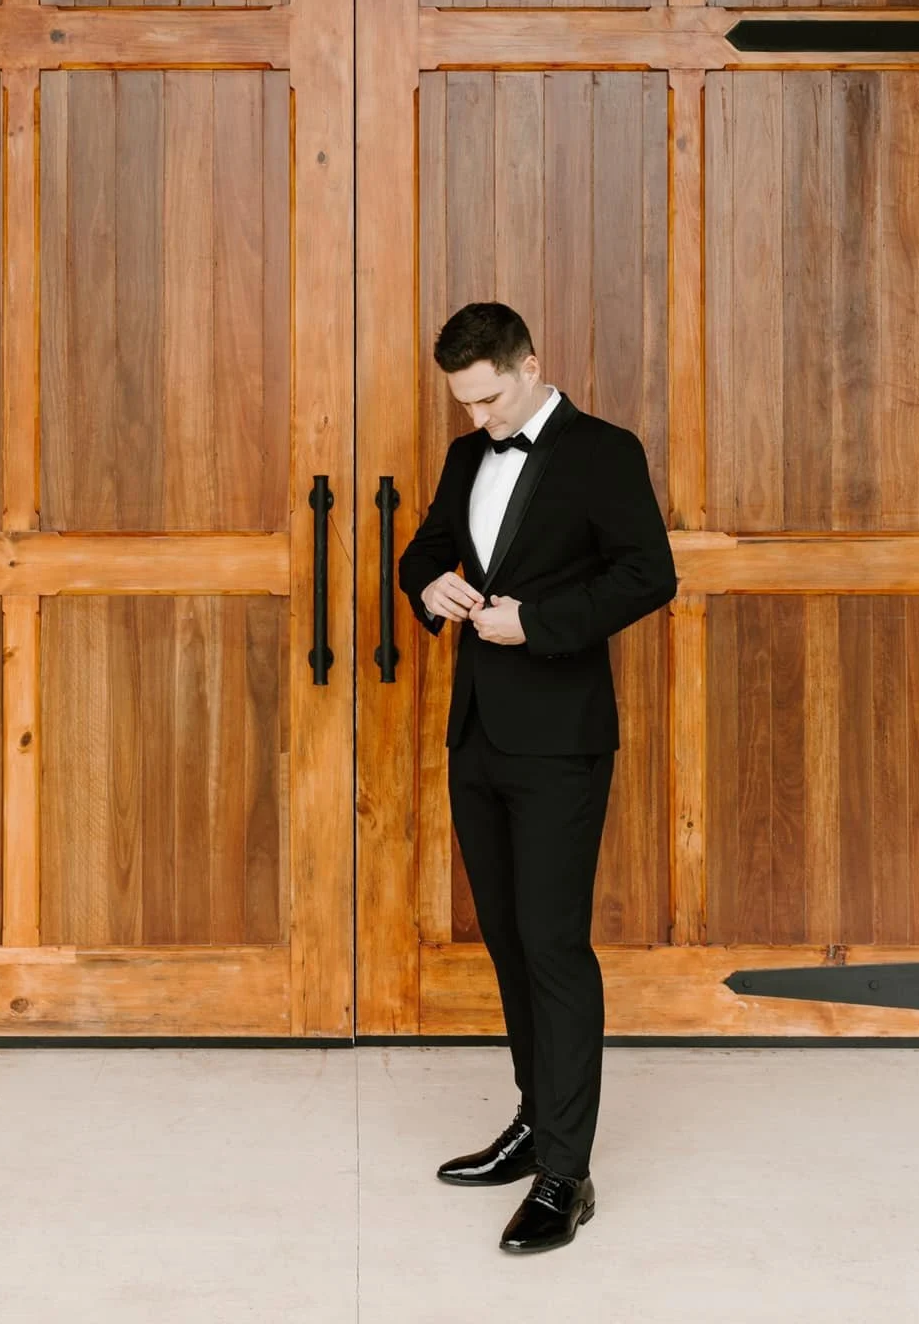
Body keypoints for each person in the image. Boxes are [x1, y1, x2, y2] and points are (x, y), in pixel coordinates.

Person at [398, 302, 677, 1255]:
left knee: (555, 947)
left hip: (561, 740)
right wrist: (426, 586)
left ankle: (567, 1170)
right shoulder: (468, 452)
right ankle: (533, 1120)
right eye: (465, 405)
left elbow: (650, 576)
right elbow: (430, 546)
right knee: (511, 941)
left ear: (531, 364)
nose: (480, 421)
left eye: (490, 398)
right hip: (477, 732)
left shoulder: (605, 451)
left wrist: (541, 623)